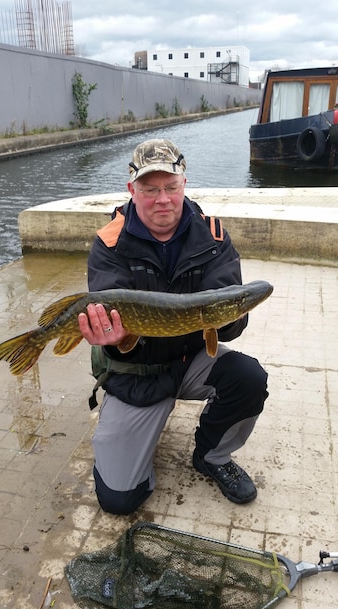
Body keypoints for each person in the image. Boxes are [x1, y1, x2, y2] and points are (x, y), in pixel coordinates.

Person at [78, 138, 268, 515]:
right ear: (132, 190)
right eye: (150, 190)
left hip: (189, 360)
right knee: (119, 500)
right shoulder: (109, 243)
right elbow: (115, 331)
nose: (162, 198)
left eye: (170, 187)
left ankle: (212, 455)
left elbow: (226, 319)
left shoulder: (212, 236)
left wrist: (233, 316)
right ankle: (137, 446)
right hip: (138, 374)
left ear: (184, 184)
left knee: (248, 377)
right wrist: (114, 341)